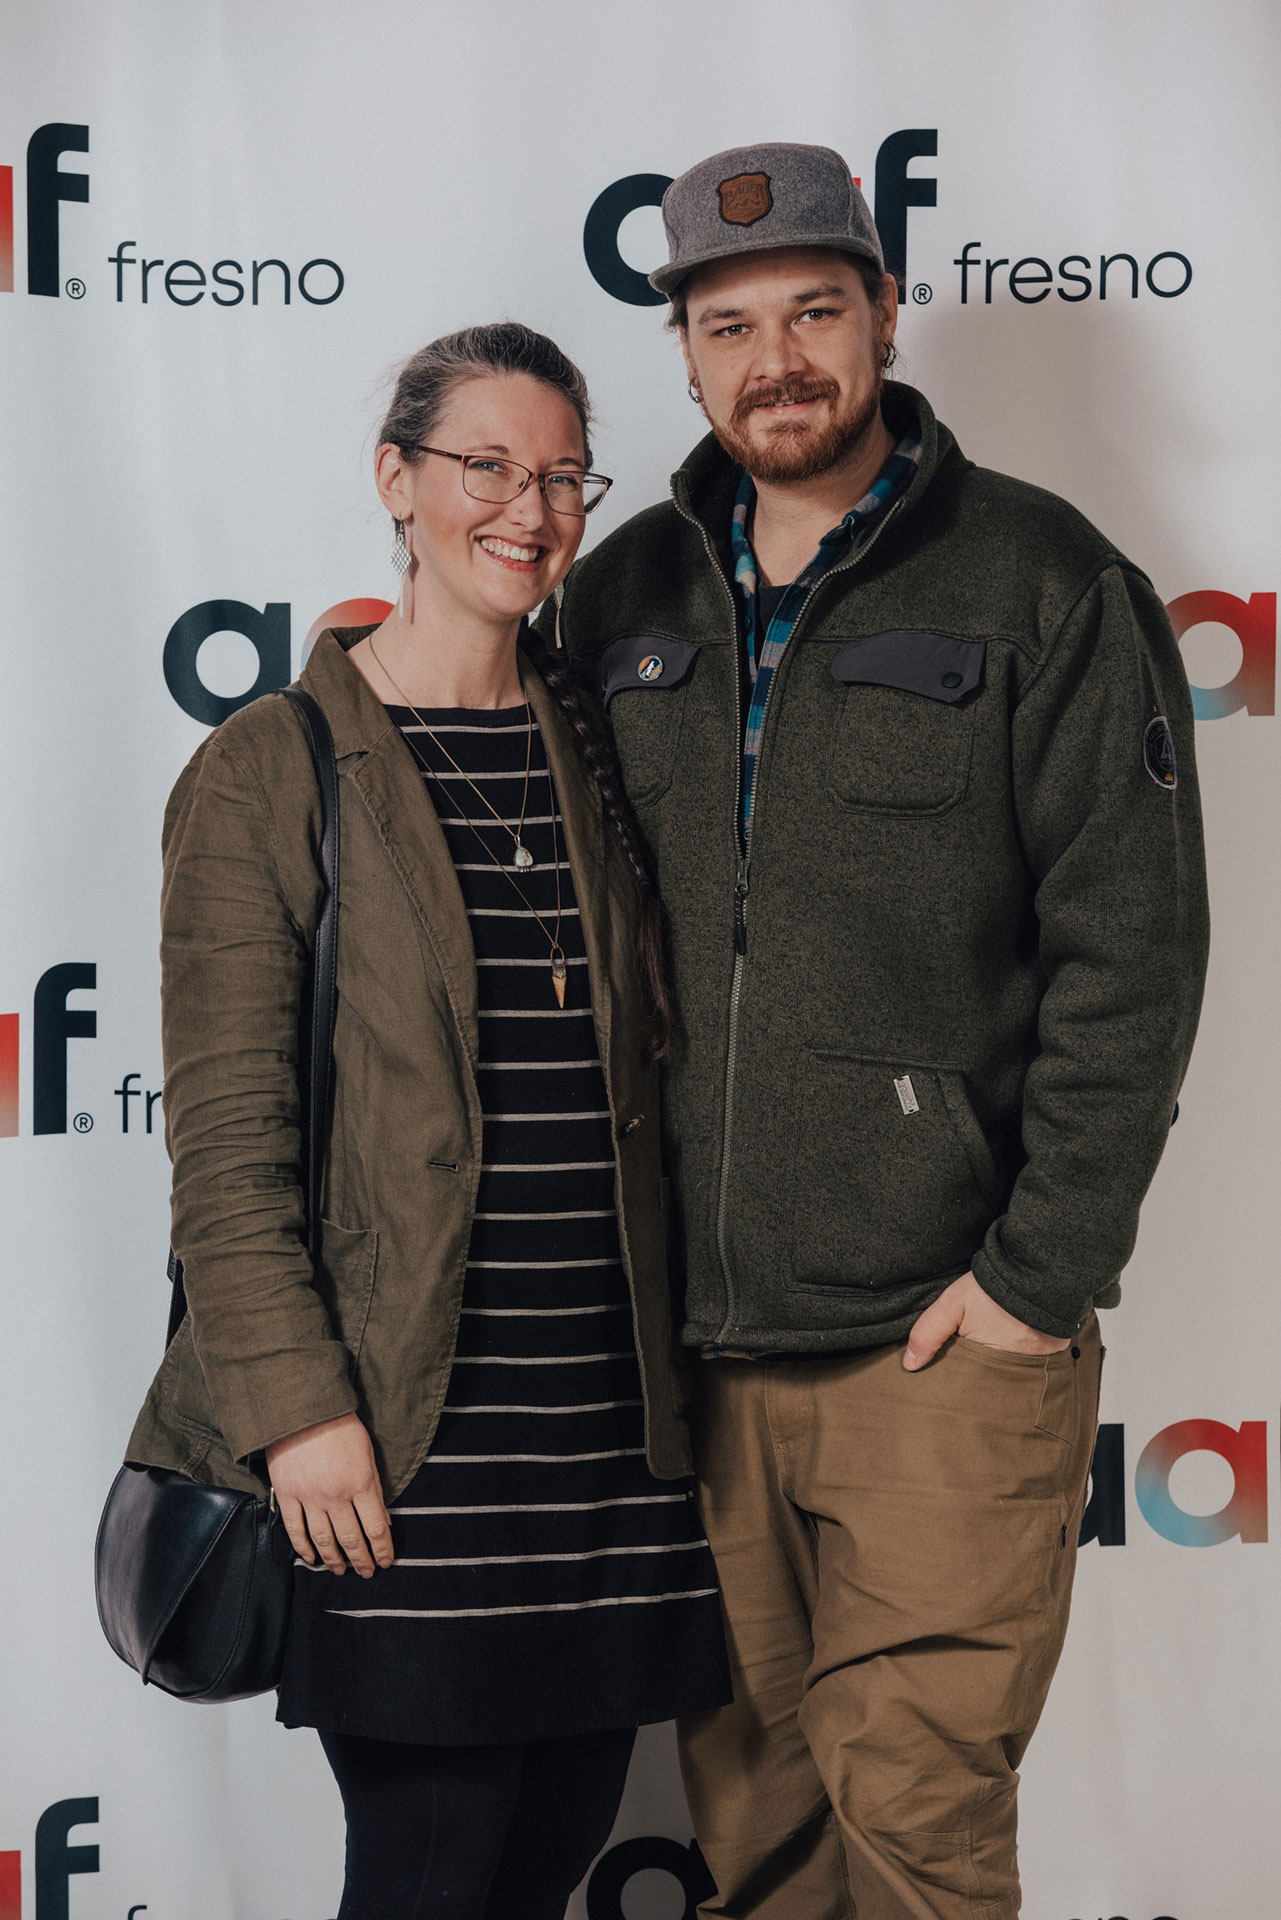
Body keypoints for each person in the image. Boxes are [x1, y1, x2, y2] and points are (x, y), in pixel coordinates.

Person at [539, 144, 1210, 1919]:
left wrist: (1031, 1284)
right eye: (729, 323)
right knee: (753, 1830)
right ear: (682, 356)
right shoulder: (616, 601)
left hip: (937, 1347)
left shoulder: (1043, 580)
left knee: (913, 1831)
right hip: (689, 1353)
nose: (776, 358)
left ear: (886, 314)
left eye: (814, 312)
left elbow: (1129, 956)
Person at [125, 321, 729, 1920]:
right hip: (399, 1452)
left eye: (560, 478)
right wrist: (296, 1408)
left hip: (606, 1448)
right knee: (430, 1880)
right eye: (483, 468)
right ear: (396, 482)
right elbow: (228, 1142)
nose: (526, 511)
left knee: (536, 1878)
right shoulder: (271, 770)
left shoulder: (600, 745)